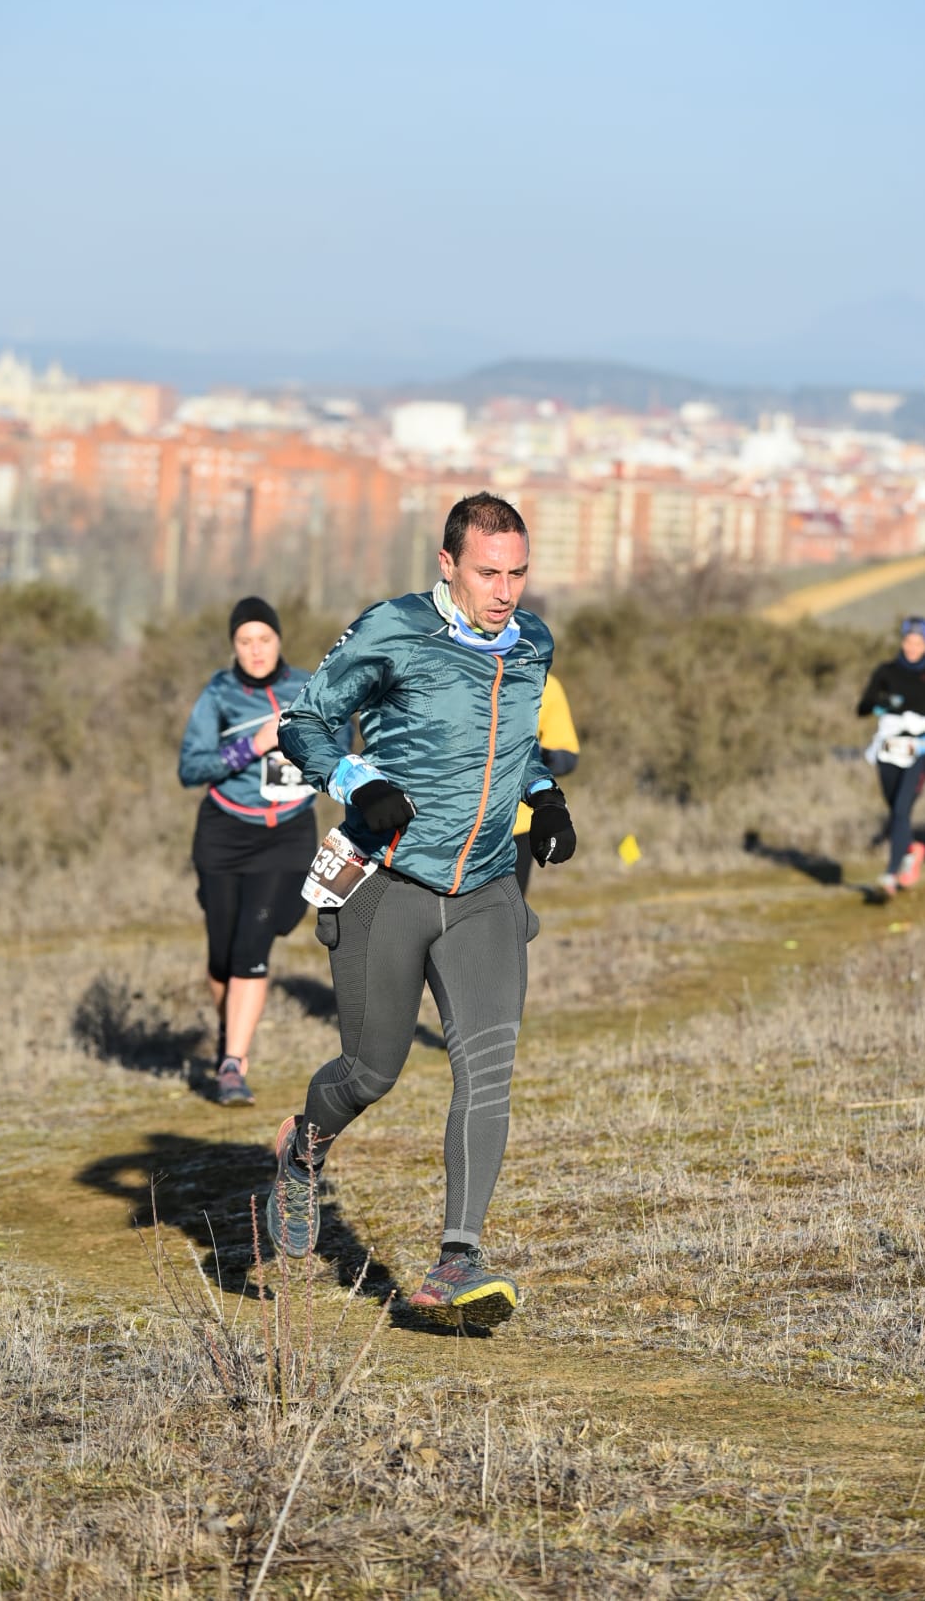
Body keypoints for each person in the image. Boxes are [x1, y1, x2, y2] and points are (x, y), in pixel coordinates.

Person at [267, 492, 577, 1328]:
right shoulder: (393, 630)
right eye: (488, 573)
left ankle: (456, 1261)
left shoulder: (534, 643)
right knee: (372, 1071)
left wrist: (544, 797)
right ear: (448, 566)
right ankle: (303, 1152)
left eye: (517, 572)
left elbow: (513, 750)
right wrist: (358, 782)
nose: (505, 591)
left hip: (483, 890)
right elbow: (305, 721)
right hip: (386, 884)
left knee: (487, 1072)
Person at [179, 596, 324, 1106]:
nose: (256, 650)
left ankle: (232, 1066)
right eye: (245, 641)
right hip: (224, 832)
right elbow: (190, 768)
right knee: (222, 955)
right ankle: (230, 1039)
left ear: (279, 640)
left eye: (264, 639)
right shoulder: (219, 694)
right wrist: (252, 746)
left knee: (253, 941)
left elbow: (342, 740)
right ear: (233, 646)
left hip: (287, 832)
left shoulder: (307, 686)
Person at [857, 615, 925, 897]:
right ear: (902, 641)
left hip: (921, 749)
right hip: (888, 748)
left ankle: (891, 875)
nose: (912, 647)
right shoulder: (887, 671)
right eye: (908, 641)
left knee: (902, 810)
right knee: (895, 811)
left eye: (918, 642)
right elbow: (863, 706)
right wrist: (883, 704)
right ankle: (912, 849)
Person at [512, 672, 580, 895]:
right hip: (455, 823)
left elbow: (567, 757)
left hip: (518, 825)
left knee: (510, 916)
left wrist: (533, 755)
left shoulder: (547, 685)